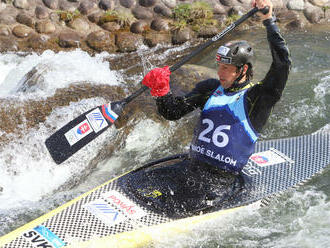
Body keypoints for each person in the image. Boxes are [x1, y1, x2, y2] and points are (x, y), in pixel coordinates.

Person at [135, 0, 291, 214]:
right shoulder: (210, 88)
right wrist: (161, 92)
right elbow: (172, 113)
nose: (220, 73)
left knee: (173, 207)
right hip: (190, 168)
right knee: (139, 185)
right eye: (219, 66)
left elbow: (282, 64)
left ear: (243, 69)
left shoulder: (258, 98)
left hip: (218, 183)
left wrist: (269, 21)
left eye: (226, 68)